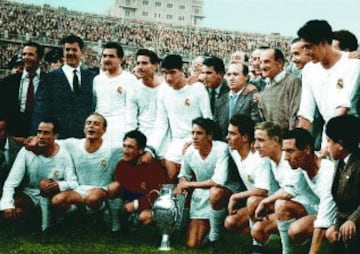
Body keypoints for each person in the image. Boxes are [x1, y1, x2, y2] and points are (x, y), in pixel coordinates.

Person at [250, 121, 318, 254]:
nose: (256, 145)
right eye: (255, 140)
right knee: (258, 230)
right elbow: (269, 191)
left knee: (281, 204)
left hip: (311, 208)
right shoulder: (270, 161)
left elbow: (289, 191)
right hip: (293, 209)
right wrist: (264, 203)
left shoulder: (292, 158)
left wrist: (266, 202)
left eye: (260, 140)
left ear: (275, 141)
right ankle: (260, 250)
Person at [45, 113, 122, 231]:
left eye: (96, 124)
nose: (91, 126)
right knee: (57, 201)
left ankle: (105, 214)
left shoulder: (113, 148)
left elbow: (136, 146)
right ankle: (78, 217)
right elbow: (49, 141)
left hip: (101, 189)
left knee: (92, 199)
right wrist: (30, 141)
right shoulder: (73, 144)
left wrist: (148, 153)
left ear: (104, 130)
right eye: (88, 123)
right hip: (79, 190)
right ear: (84, 128)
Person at [0, 118, 78, 232]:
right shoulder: (27, 151)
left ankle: (48, 226)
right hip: (30, 194)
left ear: (55, 136)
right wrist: (7, 205)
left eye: (46, 133)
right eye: (39, 132)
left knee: (47, 185)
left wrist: (59, 185)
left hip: (52, 196)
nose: (41, 136)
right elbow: (11, 182)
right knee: (13, 211)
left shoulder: (64, 155)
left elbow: (74, 183)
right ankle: (34, 218)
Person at [297, 20, 360, 154]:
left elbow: (342, 107)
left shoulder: (352, 65)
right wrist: (297, 144)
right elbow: (306, 113)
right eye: (303, 48)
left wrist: (328, 147)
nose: (306, 52)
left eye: (309, 47)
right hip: (329, 139)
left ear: (323, 43)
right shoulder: (309, 70)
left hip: (351, 139)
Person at [147, 54, 212, 183]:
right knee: (168, 169)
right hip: (176, 141)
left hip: (197, 139)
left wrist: (197, 140)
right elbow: (161, 124)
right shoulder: (163, 92)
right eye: (164, 73)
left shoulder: (197, 88)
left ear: (182, 70)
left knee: (191, 175)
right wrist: (150, 147)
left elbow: (208, 118)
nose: (168, 77)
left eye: (172, 73)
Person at [175, 117, 237, 248]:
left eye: (199, 133)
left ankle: (216, 236)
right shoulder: (189, 151)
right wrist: (182, 184)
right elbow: (183, 176)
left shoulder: (222, 149)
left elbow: (217, 181)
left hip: (224, 192)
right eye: (193, 133)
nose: (195, 137)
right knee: (192, 244)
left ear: (209, 136)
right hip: (200, 196)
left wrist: (189, 184)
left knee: (215, 193)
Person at [281, 128, 336, 254]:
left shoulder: (327, 175)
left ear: (306, 149)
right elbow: (290, 191)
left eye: (290, 151)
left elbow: (323, 222)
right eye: (284, 151)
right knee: (295, 230)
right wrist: (265, 203)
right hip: (324, 211)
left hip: (347, 217)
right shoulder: (301, 166)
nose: (286, 157)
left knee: (331, 232)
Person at [225, 114, 271, 254]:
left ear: (245, 138)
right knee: (230, 222)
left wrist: (235, 197)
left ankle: (258, 249)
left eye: (232, 134)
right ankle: (267, 234)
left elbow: (263, 190)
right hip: (257, 204)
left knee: (252, 201)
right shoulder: (234, 152)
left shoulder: (260, 157)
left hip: (272, 203)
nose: (228, 137)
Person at [32, 34, 96, 139]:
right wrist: (37, 136)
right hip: (58, 137)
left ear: (82, 52)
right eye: (67, 50)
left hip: (84, 138)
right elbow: (40, 110)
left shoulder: (92, 78)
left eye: (74, 50)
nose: (70, 53)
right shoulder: (49, 79)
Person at [108, 130, 166, 231]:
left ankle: (134, 225)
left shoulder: (153, 167)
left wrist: (135, 204)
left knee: (146, 218)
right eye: (124, 146)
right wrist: (125, 205)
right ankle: (117, 224)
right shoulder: (121, 165)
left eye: (130, 147)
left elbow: (157, 195)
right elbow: (124, 189)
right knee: (113, 187)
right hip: (128, 203)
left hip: (145, 204)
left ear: (140, 150)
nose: (125, 150)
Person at [324, 115, 360, 254]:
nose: (327, 145)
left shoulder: (358, 164)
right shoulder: (340, 162)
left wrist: (353, 220)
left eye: (329, 141)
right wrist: (336, 225)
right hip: (344, 221)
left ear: (340, 144)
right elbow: (341, 201)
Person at [0, 42, 44, 162]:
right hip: (15, 136)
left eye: (30, 54)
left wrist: (38, 136)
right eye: (24, 54)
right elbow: (3, 109)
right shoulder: (8, 82)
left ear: (39, 58)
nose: (26, 57)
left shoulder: (48, 81)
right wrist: (11, 134)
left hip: (40, 137)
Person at [93, 42, 138, 147]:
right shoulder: (97, 79)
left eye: (111, 56)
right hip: (100, 127)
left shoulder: (130, 79)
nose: (107, 59)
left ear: (121, 59)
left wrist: (129, 133)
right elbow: (95, 106)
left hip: (119, 128)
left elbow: (131, 110)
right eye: (104, 56)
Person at [214, 62, 262, 140]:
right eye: (228, 75)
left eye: (235, 74)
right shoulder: (220, 100)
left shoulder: (252, 98)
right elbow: (217, 129)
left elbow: (257, 125)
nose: (231, 78)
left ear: (246, 77)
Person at [258, 48, 302, 131]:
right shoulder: (265, 87)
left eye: (266, 62)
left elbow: (295, 115)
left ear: (279, 63)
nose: (262, 66)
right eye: (261, 62)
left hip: (288, 139)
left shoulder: (293, 82)